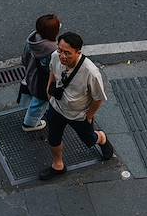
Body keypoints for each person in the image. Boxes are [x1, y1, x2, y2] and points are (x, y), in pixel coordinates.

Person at [39, 32, 114, 180]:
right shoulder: (55, 56)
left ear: (78, 52)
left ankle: (101, 138)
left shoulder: (91, 72)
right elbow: (53, 73)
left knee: (89, 140)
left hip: (79, 115)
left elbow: (98, 98)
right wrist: (49, 92)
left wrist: (89, 115)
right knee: (53, 138)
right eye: (60, 50)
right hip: (56, 108)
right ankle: (58, 165)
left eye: (67, 53)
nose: (62, 56)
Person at [18, 14, 61, 132]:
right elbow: (52, 69)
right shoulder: (52, 50)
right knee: (39, 102)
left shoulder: (33, 39)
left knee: (36, 97)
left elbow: (24, 57)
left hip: (31, 74)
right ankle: (30, 124)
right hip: (42, 83)